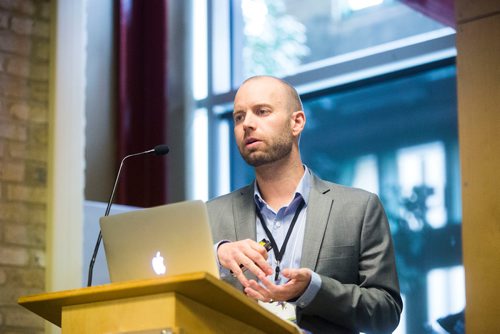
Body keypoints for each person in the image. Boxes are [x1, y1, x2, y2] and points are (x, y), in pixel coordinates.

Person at [206, 75, 403, 334]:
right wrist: (215, 255)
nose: (248, 124)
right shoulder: (210, 215)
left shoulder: (358, 208)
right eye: (239, 117)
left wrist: (314, 289)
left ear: (296, 122)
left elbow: (385, 314)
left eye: (261, 111)